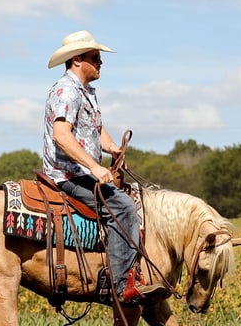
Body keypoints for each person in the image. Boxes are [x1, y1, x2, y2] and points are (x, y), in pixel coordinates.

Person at [42, 30, 165, 305]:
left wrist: (111, 147)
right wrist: (94, 167)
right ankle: (121, 285)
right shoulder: (66, 91)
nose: (100, 63)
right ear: (77, 60)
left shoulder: (85, 93)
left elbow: (95, 129)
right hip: (68, 175)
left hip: (82, 171)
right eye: (95, 58)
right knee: (123, 207)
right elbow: (62, 135)